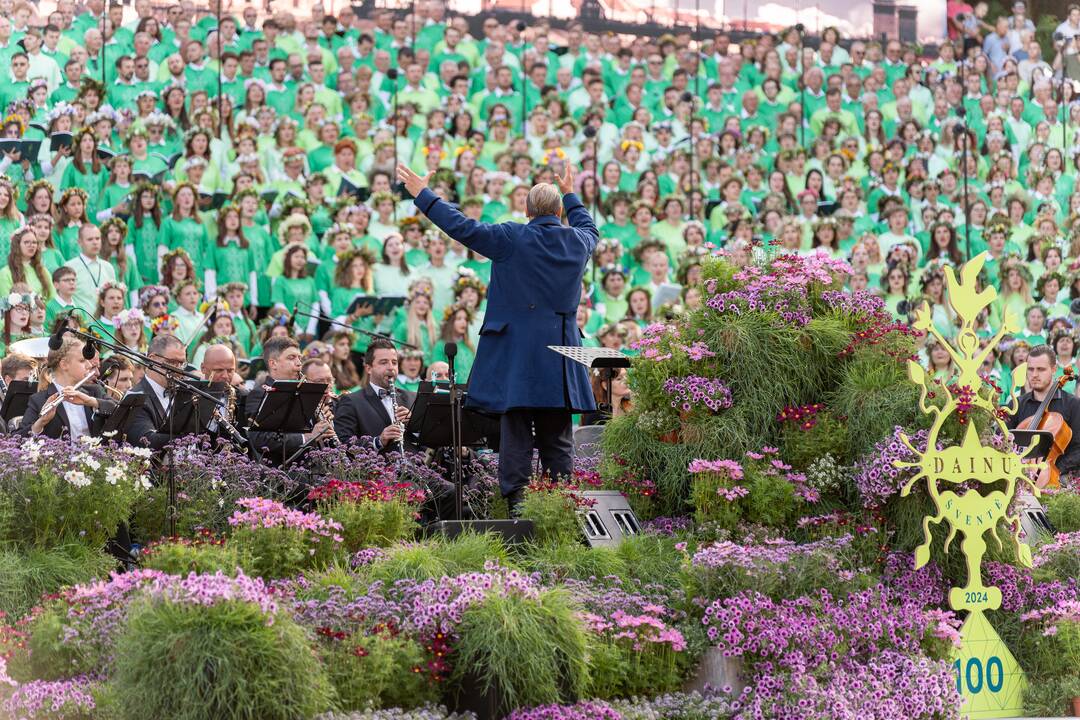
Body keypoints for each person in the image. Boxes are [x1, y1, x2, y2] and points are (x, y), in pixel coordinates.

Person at [397, 162, 598, 516]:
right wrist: (571, 193)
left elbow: (461, 226)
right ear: (558, 212)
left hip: (519, 355)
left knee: (516, 430)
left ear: (526, 211)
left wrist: (423, 195)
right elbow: (589, 225)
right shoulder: (578, 241)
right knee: (558, 435)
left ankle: (519, 507)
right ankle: (560, 509)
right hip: (560, 356)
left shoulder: (511, 237)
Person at [244, 336, 334, 464]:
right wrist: (308, 437)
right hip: (280, 473)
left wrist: (325, 422)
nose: (299, 363)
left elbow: (315, 431)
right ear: (273, 363)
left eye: (299, 358)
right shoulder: (259, 394)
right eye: (291, 358)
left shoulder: (305, 390)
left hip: (313, 470)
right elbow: (259, 438)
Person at [1005, 343, 1080, 487]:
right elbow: (1003, 441)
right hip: (1020, 477)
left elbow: (1078, 449)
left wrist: (1054, 470)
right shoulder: (1016, 405)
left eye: (1041, 369)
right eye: (1030, 369)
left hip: (1062, 478)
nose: (1034, 375)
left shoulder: (1073, 405)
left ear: (1054, 369)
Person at [19, 334, 116, 440]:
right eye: (82, 360)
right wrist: (41, 422)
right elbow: (18, 439)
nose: (89, 365)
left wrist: (91, 401)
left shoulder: (94, 391)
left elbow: (118, 410)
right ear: (64, 365)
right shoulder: (39, 400)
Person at [332, 338, 414, 452]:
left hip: (413, 467)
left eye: (394, 362)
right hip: (377, 468)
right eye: (384, 362)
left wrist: (414, 424)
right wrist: (378, 441)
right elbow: (343, 443)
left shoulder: (412, 398)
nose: (391, 367)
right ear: (368, 368)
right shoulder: (351, 401)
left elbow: (430, 440)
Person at [124, 333, 189, 450]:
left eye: (182, 363)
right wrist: (189, 436)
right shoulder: (135, 397)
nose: (179, 370)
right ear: (152, 359)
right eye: (172, 362)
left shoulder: (185, 393)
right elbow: (147, 441)